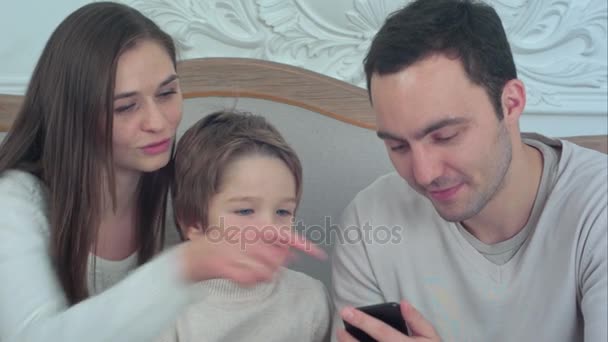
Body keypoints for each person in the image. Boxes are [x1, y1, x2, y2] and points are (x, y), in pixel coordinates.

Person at [0, 3, 323, 341]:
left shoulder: (190, 190)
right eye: (126, 107)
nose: (158, 123)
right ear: (74, 115)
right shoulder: (15, 205)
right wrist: (183, 266)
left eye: (167, 93)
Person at [331, 0, 607, 341]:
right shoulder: (369, 221)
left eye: (445, 136)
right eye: (397, 147)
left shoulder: (597, 208)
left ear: (511, 103)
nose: (423, 173)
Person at [157, 110, 332, 342]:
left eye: (282, 212)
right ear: (193, 223)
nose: (269, 229)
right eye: (245, 211)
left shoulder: (310, 299)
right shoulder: (164, 312)